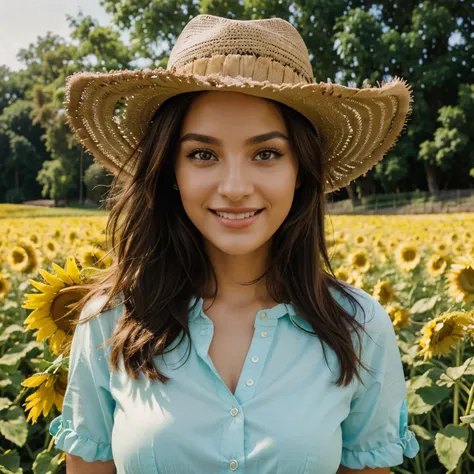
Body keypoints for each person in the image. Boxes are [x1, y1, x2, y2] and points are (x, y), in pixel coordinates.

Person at [48, 13, 420, 474]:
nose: (236, 186)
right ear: (170, 171)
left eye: (266, 153)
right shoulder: (108, 321)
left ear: (300, 170)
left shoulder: (360, 329)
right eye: (203, 154)